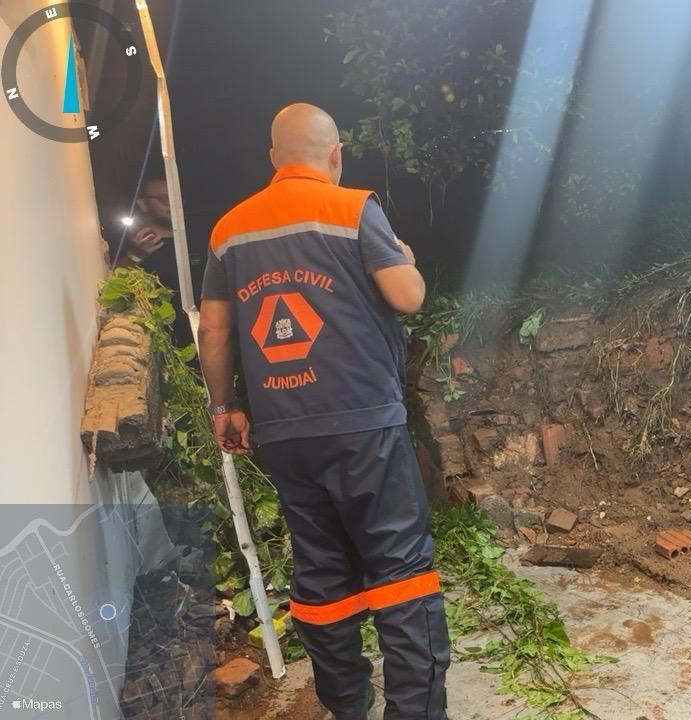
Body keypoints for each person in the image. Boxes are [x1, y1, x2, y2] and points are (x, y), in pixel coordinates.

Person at [198, 103, 450, 720]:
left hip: (283, 432)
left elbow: (214, 328)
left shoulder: (229, 229)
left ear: (274, 160)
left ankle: (346, 706)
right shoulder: (352, 207)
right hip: (365, 425)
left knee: (323, 576)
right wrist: (402, 256)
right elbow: (408, 296)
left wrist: (224, 407)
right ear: (334, 155)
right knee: (402, 572)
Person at [120, 176, 199, 346]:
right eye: (164, 198)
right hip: (164, 347)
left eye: (176, 197)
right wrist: (135, 255)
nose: (172, 203)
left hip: (206, 339)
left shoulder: (199, 240)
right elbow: (116, 285)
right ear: (143, 204)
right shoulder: (135, 246)